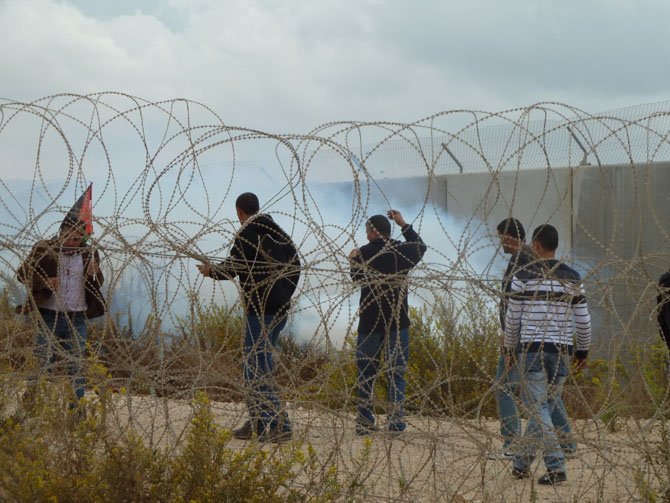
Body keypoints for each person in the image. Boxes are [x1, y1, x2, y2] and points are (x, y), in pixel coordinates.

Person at [197, 192, 300, 443]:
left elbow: (237, 265)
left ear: (239, 212)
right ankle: (256, 422)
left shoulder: (247, 233)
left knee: (256, 368)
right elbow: (296, 266)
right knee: (257, 366)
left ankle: (279, 424)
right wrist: (283, 293)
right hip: (278, 310)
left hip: (260, 311)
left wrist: (212, 271)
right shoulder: (279, 233)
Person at [504, 224, 591, 485]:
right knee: (545, 406)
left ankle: (556, 467)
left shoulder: (523, 275)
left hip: (532, 350)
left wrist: (509, 348)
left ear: (537, 246)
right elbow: (584, 321)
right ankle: (521, 463)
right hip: (562, 351)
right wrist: (583, 351)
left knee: (539, 408)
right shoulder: (573, 277)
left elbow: (513, 318)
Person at [489, 218, 577, 460]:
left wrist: (509, 338)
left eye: (500, 237)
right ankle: (567, 444)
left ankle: (513, 445)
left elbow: (514, 302)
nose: (500, 243)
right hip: (545, 338)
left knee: (505, 387)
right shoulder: (531, 258)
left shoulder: (521, 259)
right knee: (549, 394)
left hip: (525, 340)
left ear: (508, 236)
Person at [348, 210, 426, 435]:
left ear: (373, 231)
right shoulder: (401, 251)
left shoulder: (364, 252)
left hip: (370, 322)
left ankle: (365, 420)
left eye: (367, 231)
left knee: (366, 371)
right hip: (397, 321)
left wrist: (353, 261)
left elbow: (356, 278)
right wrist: (403, 223)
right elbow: (420, 246)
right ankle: (395, 422)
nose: (366, 236)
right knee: (396, 373)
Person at [16, 216, 106, 408]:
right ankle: (29, 404)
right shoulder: (44, 249)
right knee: (41, 362)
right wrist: (43, 282)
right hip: (50, 316)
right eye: (69, 237)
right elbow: (21, 274)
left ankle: (77, 411)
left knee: (76, 367)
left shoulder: (88, 252)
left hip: (77, 318)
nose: (73, 243)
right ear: (61, 233)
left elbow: (99, 281)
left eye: (77, 239)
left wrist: (94, 273)